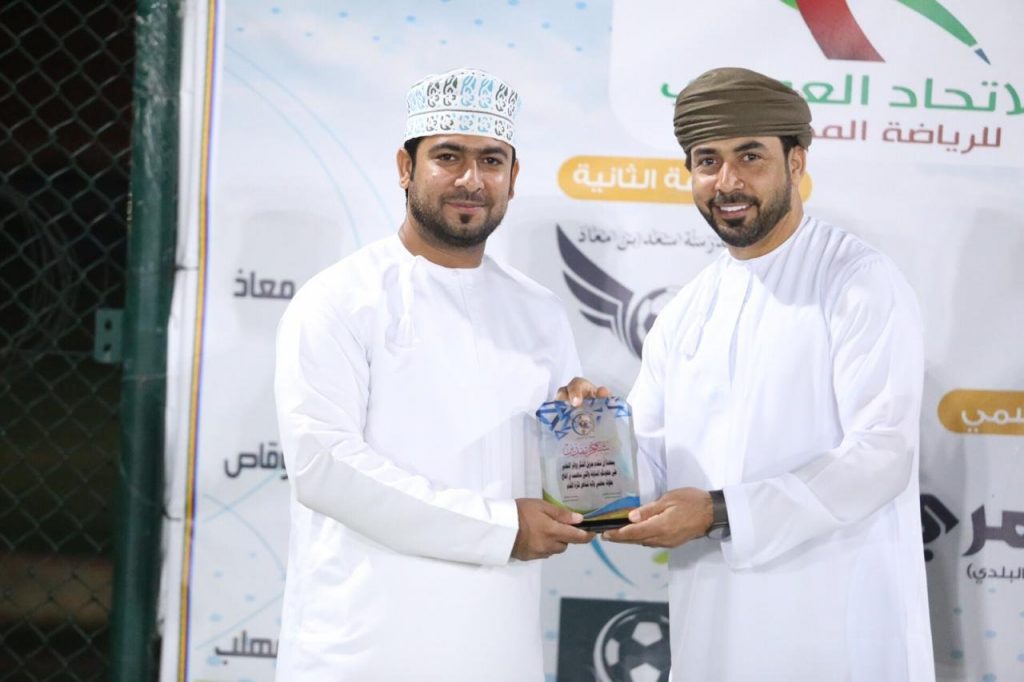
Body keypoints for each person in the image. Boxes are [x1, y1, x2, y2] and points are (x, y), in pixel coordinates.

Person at [560, 67, 935, 681]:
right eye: (707, 161)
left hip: (839, 627)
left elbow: (881, 453)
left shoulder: (856, 281)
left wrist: (720, 511)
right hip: (713, 627)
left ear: (796, 161)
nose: (727, 181)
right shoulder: (685, 312)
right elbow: (648, 468)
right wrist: (588, 438)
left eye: (750, 156)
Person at [274, 67, 592, 681]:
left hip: (499, 644)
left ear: (513, 177)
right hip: (363, 647)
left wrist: (586, 432)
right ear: (406, 167)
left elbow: (570, 489)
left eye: (491, 161)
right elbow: (324, 468)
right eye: (448, 157)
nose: (471, 179)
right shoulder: (340, 299)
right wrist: (501, 528)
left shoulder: (541, 313)